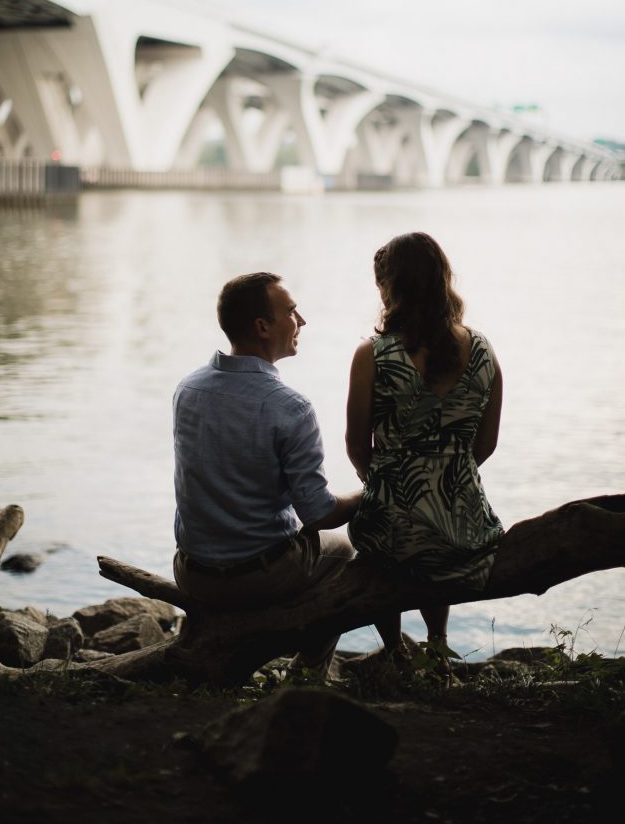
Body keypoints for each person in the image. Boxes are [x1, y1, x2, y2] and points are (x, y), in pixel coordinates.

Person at [173, 271, 362, 678]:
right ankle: (309, 669)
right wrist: (365, 496)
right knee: (343, 550)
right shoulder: (290, 407)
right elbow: (318, 514)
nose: (302, 321)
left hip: (191, 572)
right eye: (292, 312)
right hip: (256, 578)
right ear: (263, 327)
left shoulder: (187, 389)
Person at [345, 232, 504, 665]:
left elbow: (356, 445)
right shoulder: (484, 351)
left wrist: (387, 479)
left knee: (380, 533)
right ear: (443, 280)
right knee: (435, 522)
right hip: (466, 528)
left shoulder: (373, 356)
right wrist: (447, 477)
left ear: (389, 288)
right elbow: (485, 445)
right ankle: (437, 643)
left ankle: (394, 649)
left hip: (393, 527)